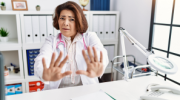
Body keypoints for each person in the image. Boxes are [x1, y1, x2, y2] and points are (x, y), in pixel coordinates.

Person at [34, 1, 109, 90]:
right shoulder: (51, 41)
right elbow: (42, 58)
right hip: (57, 92)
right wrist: (44, 73)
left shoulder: (90, 37)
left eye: (71, 19)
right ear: (58, 20)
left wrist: (99, 65)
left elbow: (101, 53)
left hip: (85, 90)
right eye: (62, 18)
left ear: (79, 21)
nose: (65, 23)